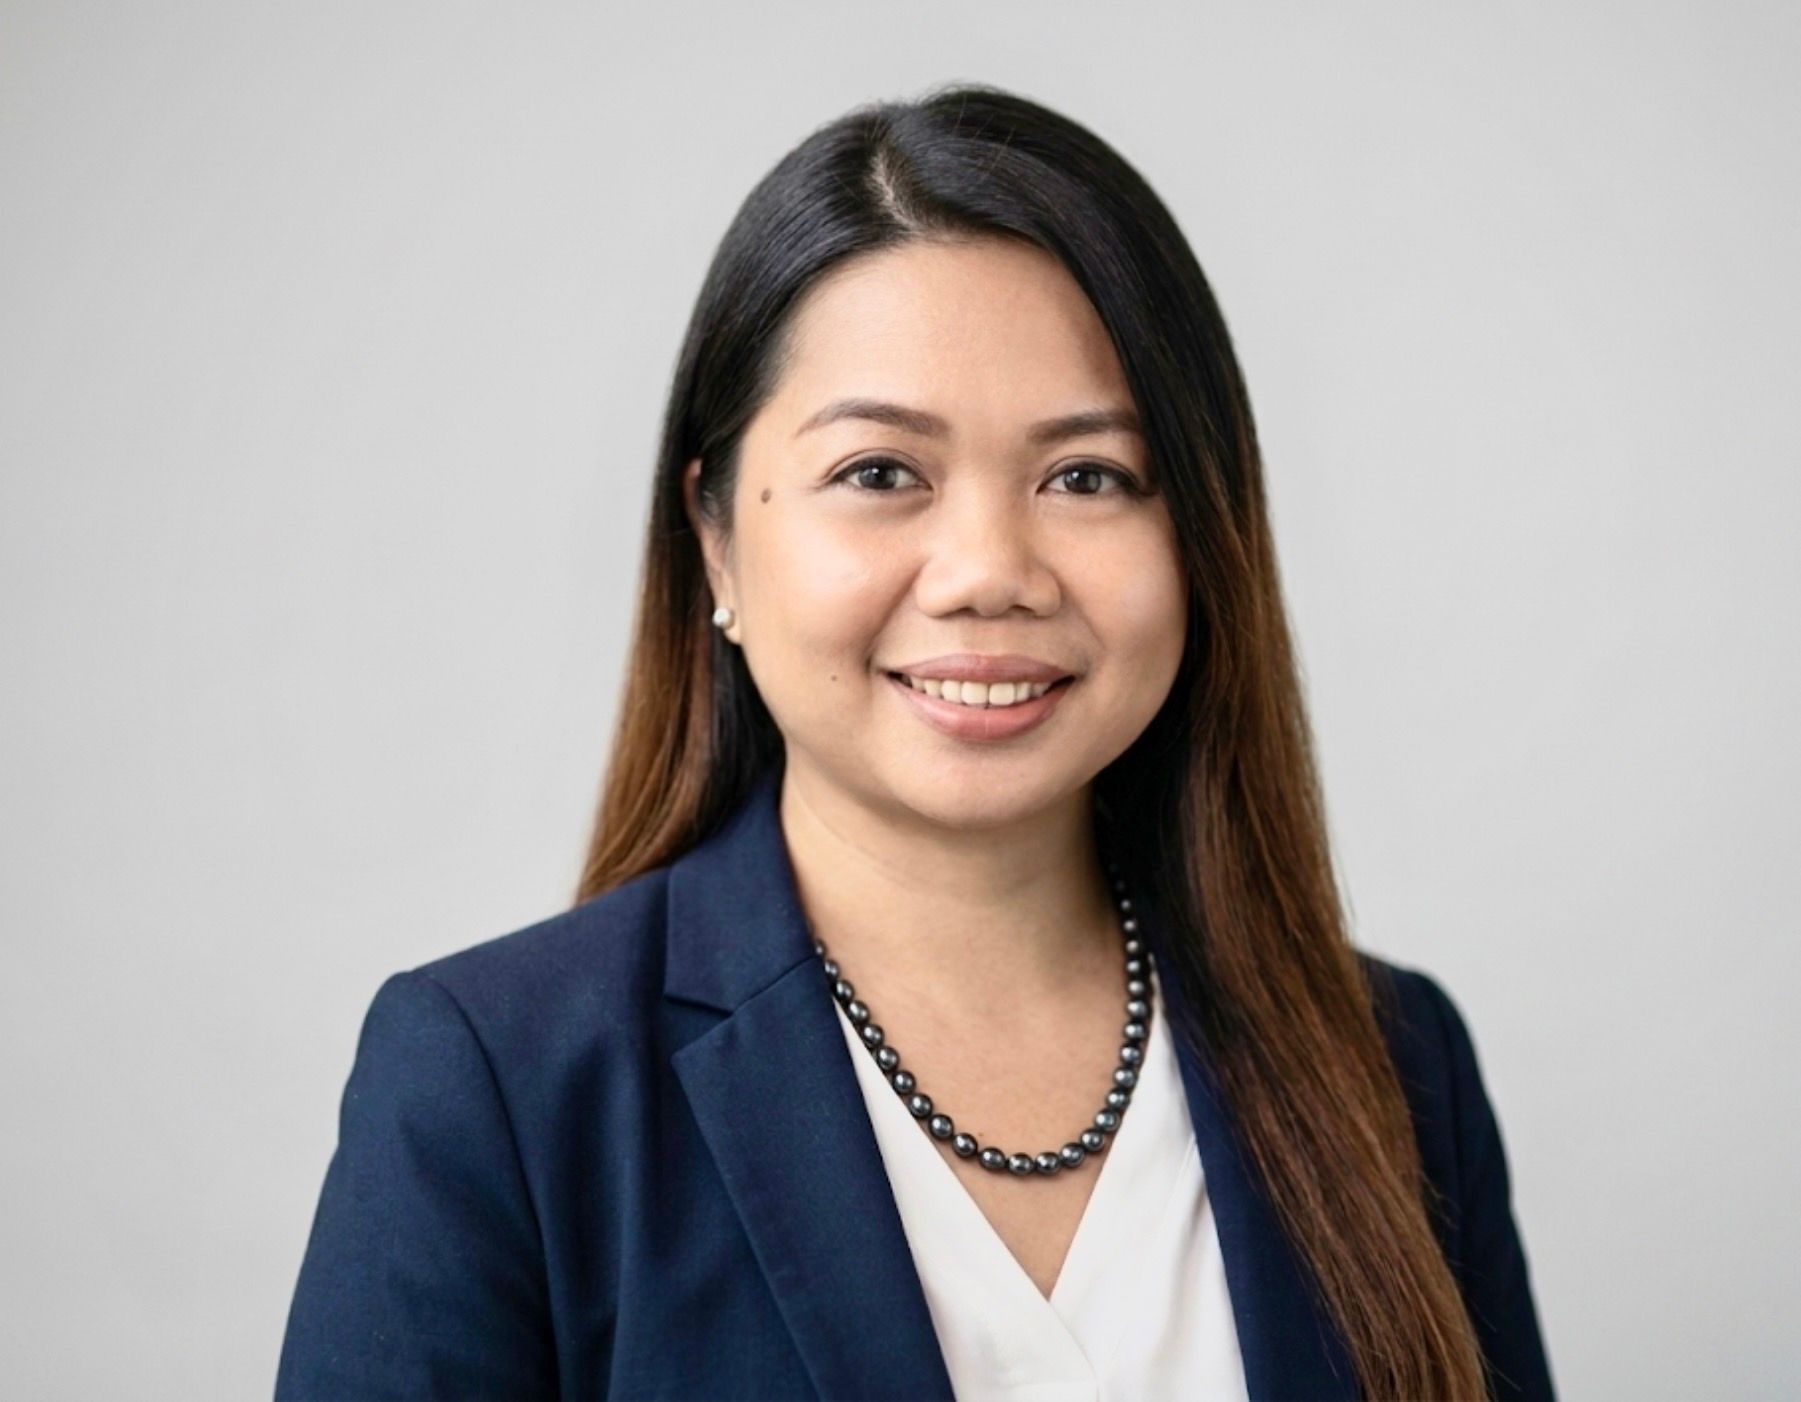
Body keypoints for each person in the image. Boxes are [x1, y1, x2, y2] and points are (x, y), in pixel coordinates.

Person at [276, 84, 1555, 1401]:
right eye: (880, 472)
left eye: (1087, 476)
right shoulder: (498, 1083)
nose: (989, 572)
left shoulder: (1393, 1061)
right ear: (716, 539)